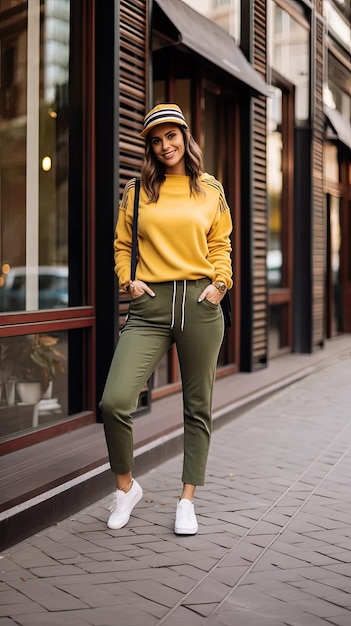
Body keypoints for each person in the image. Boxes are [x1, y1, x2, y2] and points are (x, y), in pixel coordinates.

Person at [100, 103, 233, 535]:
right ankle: (126, 488)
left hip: (200, 302)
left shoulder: (210, 188)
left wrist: (220, 285)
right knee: (115, 402)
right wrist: (128, 281)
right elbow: (122, 245)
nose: (164, 146)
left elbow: (220, 245)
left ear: (185, 136)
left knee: (198, 408)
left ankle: (186, 500)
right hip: (150, 306)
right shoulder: (137, 191)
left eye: (171, 136)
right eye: (155, 141)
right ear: (149, 147)